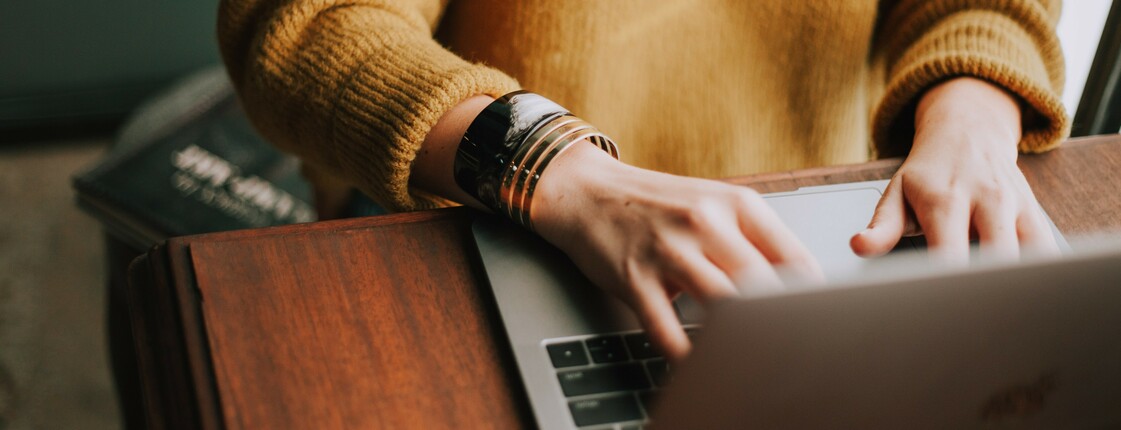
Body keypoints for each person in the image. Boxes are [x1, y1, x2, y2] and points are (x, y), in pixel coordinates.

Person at [217, 0, 1069, 360]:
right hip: (480, 213)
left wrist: (973, 110)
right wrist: (552, 167)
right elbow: (302, 26)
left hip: (820, 235)